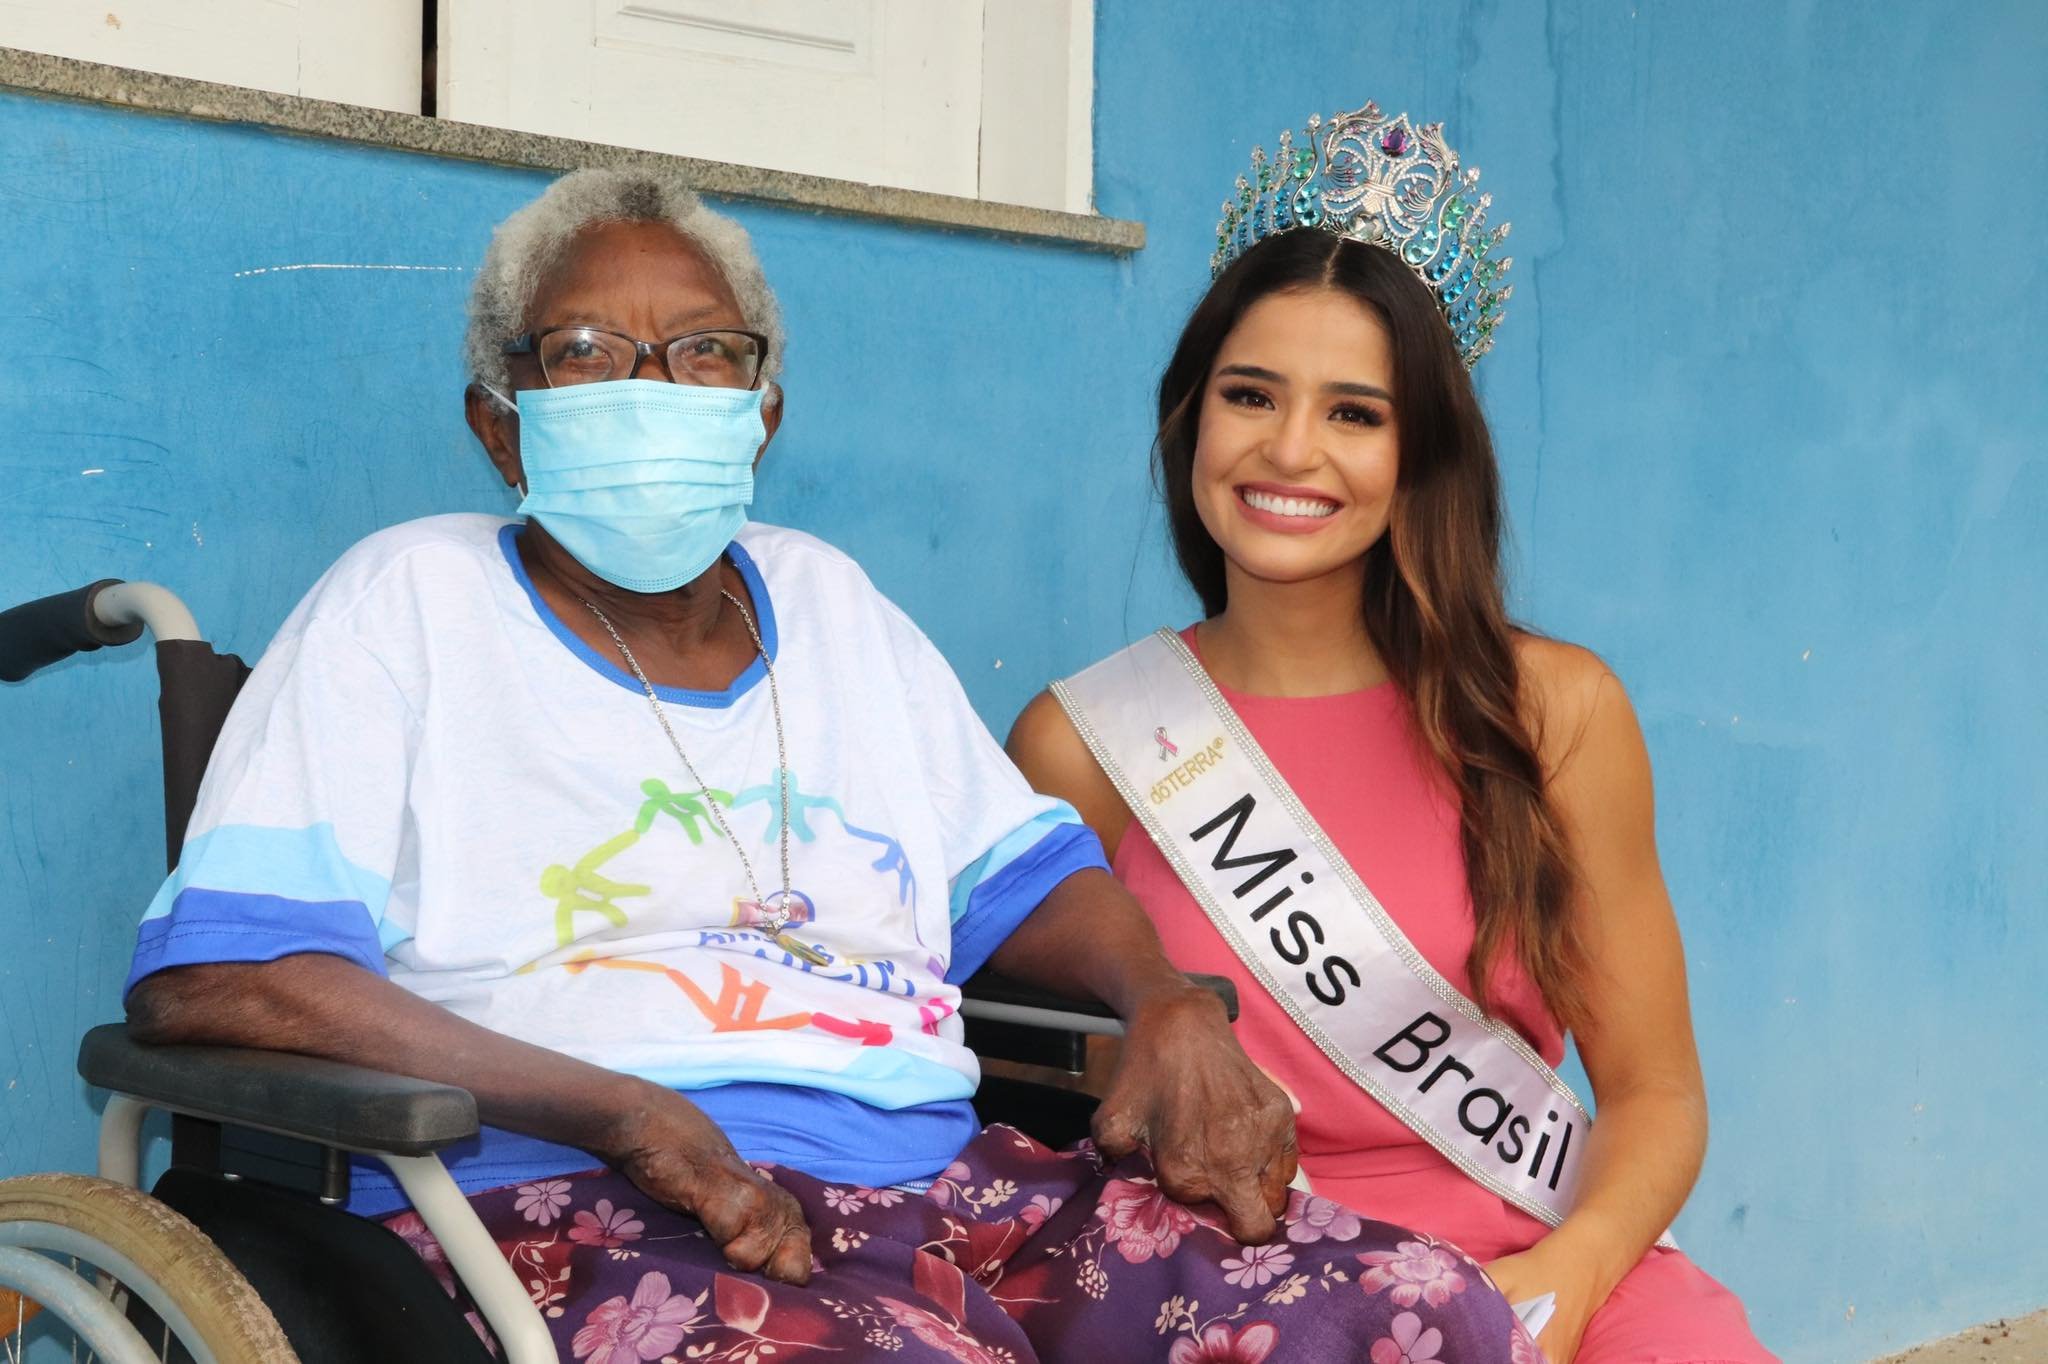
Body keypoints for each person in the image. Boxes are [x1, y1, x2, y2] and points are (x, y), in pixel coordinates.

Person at [121, 167, 1532, 1362]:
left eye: (704, 353)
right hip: (571, 1197)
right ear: (501, 423)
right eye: (587, 351)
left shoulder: (834, 605)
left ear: (764, 414)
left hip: (948, 1186)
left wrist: (1164, 1002)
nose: (651, 387)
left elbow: (1025, 878)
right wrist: (615, 1107)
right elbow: (222, 977)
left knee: (1415, 1311)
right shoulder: (407, 602)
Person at [1009, 104, 1777, 1364]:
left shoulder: (1554, 713)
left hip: (1539, 1249)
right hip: (1240, 1284)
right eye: (1250, 394)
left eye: (1354, 412)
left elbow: (1655, 1094)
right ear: (1191, 414)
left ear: (1421, 448)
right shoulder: (1082, 742)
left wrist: (1566, 1275)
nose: (1290, 449)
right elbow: (1034, 1105)